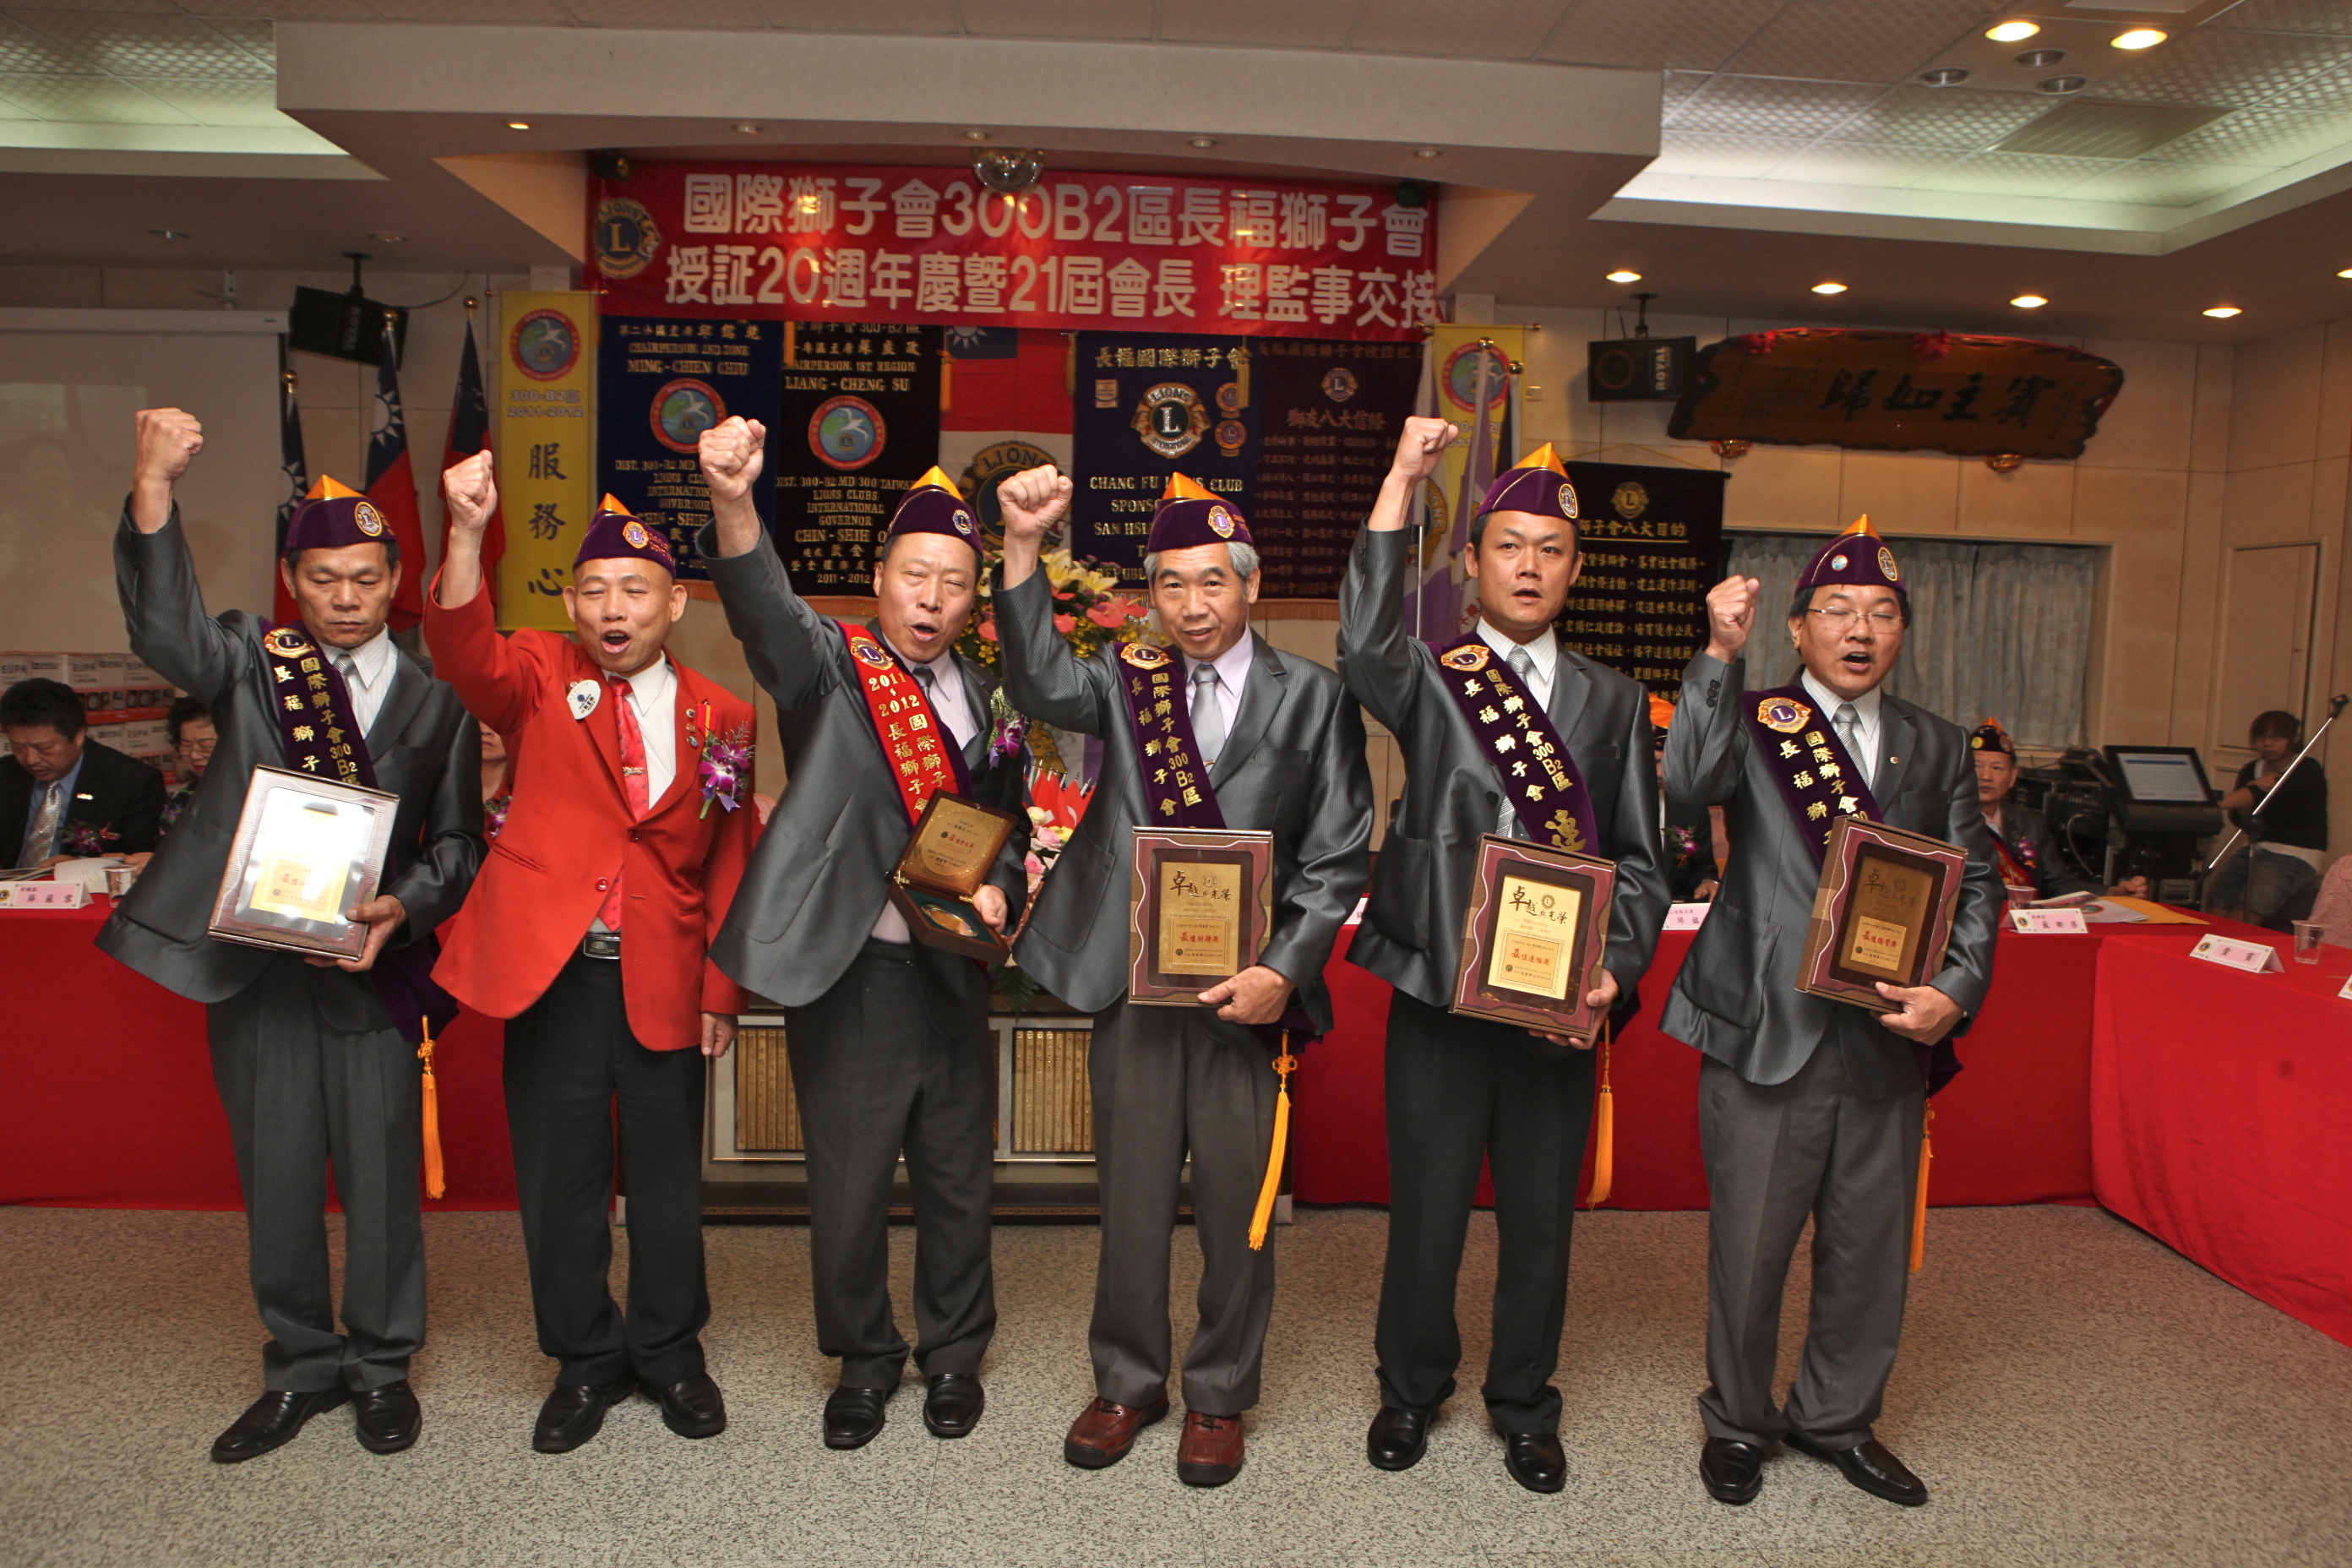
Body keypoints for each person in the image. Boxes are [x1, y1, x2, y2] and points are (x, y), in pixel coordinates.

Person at [97, 409, 482, 1463]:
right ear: (290, 580)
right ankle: (301, 1364)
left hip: (369, 969)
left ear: (395, 579)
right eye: (322, 579)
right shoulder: (248, 661)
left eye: (364, 578)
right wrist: (153, 486)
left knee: (382, 1177)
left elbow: (460, 841)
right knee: (275, 1177)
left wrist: (405, 905)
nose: (345, 598)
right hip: (257, 968)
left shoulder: (438, 697)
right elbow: (165, 630)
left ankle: (383, 1364)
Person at [994, 466, 1373, 1489]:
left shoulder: (1314, 697)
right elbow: (1037, 677)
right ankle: (1127, 1381)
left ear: (1251, 583)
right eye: (1171, 583)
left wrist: (1284, 970)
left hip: (1250, 997)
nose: (1193, 604)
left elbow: (1339, 850)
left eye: (1213, 580)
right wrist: (1023, 546)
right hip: (1135, 984)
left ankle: (1218, 1392)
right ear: (1150, 594)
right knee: (1130, 1195)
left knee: (1239, 1207)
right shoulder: (1126, 680)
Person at [1337, 427, 1669, 1494]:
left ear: (1576, 567)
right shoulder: (1431, 675)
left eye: (1551, 549)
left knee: (1539, 1220)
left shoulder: (1617, 701)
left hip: (1556, 1005)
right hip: (1440, 989)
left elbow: (1644, 862)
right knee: (1427, 1212)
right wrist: (1403, 480)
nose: (1529, 566)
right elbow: (1360, 638)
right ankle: (1410, 1388)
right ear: (1471, 561)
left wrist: (1616, 967)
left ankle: (1524, 1400)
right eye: (1509, 546)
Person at [694, 418, 1031, 1451]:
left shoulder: (991, 696)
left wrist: (1001, 889)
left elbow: (1006, 824)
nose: (931, 599)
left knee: (958, 1174)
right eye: (914, 576)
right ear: (879, 579)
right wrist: (735, 501)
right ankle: (864, 1357)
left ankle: (954, 1352)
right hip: (855, 966)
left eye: (954, 584)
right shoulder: (830, 667)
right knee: (848, 1182)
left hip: (952, 967)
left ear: (975, 600)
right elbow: (764, 607)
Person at [1665, 517, 2000, 1510]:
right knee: (1752, 1248)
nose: (1860, 630)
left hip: (1886, 1034)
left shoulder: (1937, 743)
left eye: (1882, 613)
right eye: (1839, 610)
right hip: (1767, 1026)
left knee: (1868, 1247)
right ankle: (1737, 1418)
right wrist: (1718, 654)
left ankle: (1837, 1419)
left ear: (1902, 631)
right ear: (1798, 627)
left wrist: (1957, 987)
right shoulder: (1751, 715)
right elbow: (1688, 783)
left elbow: (1977, 883)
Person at [427, 462, 759, 1454]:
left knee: (667, 1183)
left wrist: (723, 989)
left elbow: (729, 859)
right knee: (561, 1179)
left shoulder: (723, 714)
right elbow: (460, 649)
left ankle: (670, 1351)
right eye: (596, 591)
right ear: (571, 604)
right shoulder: (536, 673)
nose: (615, 609)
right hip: (555, 974)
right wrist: (465, 531)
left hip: (664, 975)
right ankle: (582, 1358)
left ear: (674, 604)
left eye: (636, 590)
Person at [2, 676, 165, 865]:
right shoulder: (6, 773)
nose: (30, 759)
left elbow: (140, 859)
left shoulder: (133, 782)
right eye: (18, 748)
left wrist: (80, 864)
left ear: (79, 735)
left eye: (44, 749)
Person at [2205, 710, 2328, 930]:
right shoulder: (2252, 769)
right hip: (2256, 847)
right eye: (2261, 737)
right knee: (2215, 907)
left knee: (2242, 917)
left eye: (2276, 737)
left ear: (2293, 739)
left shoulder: (2306, 768)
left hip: (2294, 852)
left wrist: (2214, 802)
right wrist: (2251, 792)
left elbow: (2268, 798)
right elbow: (2242, 818)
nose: (2268, 743)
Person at [1969, 720, 2096, 900]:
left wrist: (2113, 893)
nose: (1986, 776)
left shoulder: (2029, 822)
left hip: (2024, 915)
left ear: (2012, 776)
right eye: (1977, 766)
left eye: (1997, 768)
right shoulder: (1947, 820)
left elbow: (2059, 884)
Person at [1656, 694, 1723, 904]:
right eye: (1655, 761)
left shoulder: (1690, 804)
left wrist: (1707, 881)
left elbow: (1702, 866)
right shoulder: (1612, 801)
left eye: (1669, 764)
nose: (1662, 773)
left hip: (1672, 907)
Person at [161, 694, 216, 834]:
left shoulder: (259, 794)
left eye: (206, 746)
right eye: (186, 745)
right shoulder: (181, 797)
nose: (194, 755)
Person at [477, 720, 512, 840]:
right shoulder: (435, 787)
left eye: (498, 722)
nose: (485, 730)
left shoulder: (528, 796)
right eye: (477, 720)